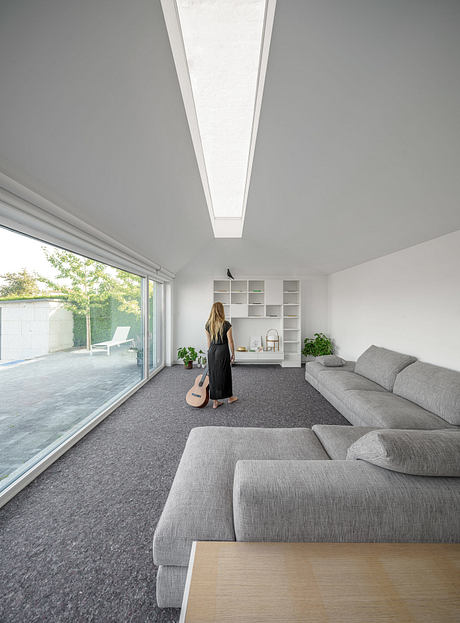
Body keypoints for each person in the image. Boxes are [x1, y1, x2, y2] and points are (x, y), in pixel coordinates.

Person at [205, 302, 238, 409]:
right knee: (225, 373)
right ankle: (230, 398)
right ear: (221, 311)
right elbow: (231, 341)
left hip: (212, 351)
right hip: (222, 350)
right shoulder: (226, 324)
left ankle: (215, 402)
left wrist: (210, 353)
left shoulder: (208, 324)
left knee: (213, 375)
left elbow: (208, 342)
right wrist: (233, 353)